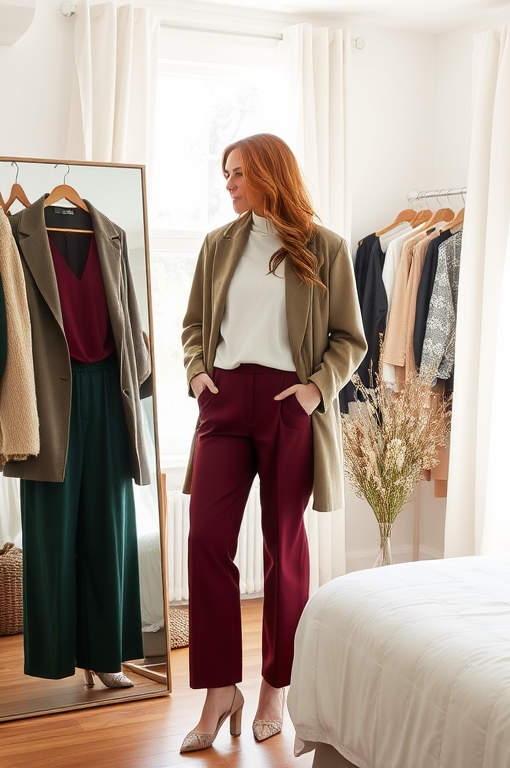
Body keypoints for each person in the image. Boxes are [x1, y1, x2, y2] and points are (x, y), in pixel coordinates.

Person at [179, 133, 366, 753]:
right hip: (225, 400)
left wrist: (316, 389)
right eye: (225, 173)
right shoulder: (217, 245)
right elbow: (194, 326)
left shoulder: (325, 247)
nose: (227, 184)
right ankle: (217, 692)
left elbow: (350, 338)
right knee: (207, 540)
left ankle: (273, 691)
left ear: (267, 173)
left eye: (237, 173)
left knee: (282, 549)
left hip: (290, 404)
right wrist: (197, 372)